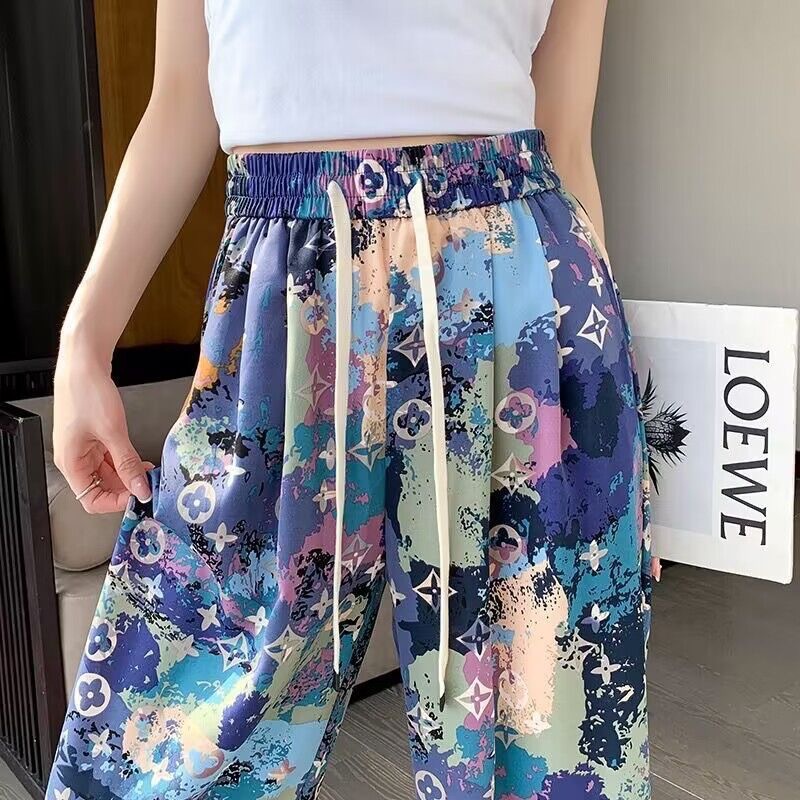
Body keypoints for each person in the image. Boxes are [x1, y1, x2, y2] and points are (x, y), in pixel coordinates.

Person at [47, 1, 659, 797]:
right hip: (288, 294)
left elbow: (565, 139)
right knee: (183, 719)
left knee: (545, 720)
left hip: (518, 304)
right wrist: (83, 341)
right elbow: (181, 104)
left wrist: (608, 391)